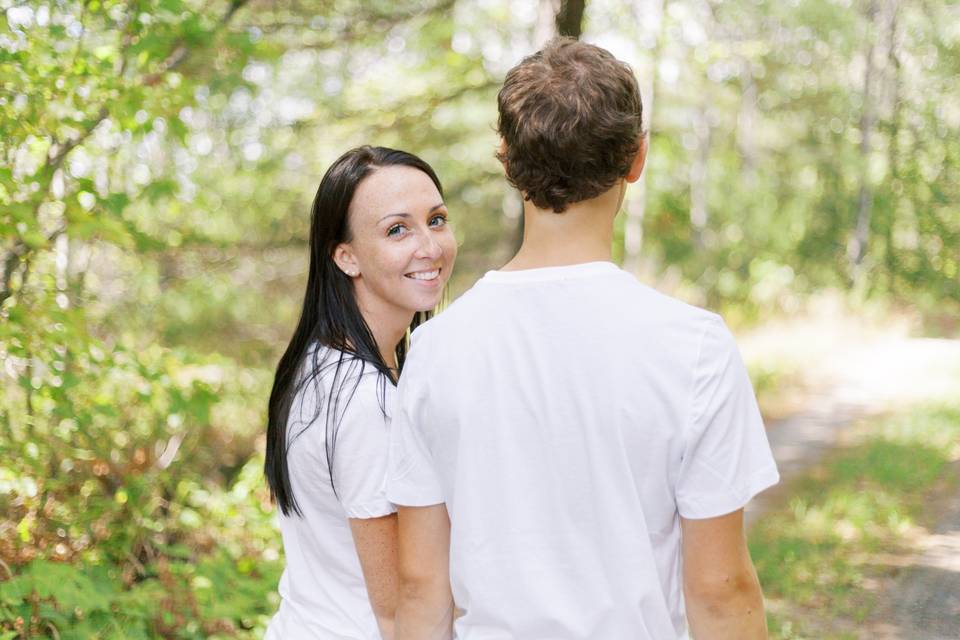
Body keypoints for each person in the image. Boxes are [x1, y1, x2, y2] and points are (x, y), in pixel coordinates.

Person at [385, 38, 779, 640]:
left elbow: (419, 587)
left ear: (506, 158)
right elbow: (719, 592)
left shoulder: (435, 350)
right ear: (636, 158)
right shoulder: (696, 348)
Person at [263, 146, 457, 640]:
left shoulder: (316, 363)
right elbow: (398, 611)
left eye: (435, 220)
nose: (429, 246)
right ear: (345, 256)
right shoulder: (365, 399)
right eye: (397, 229)